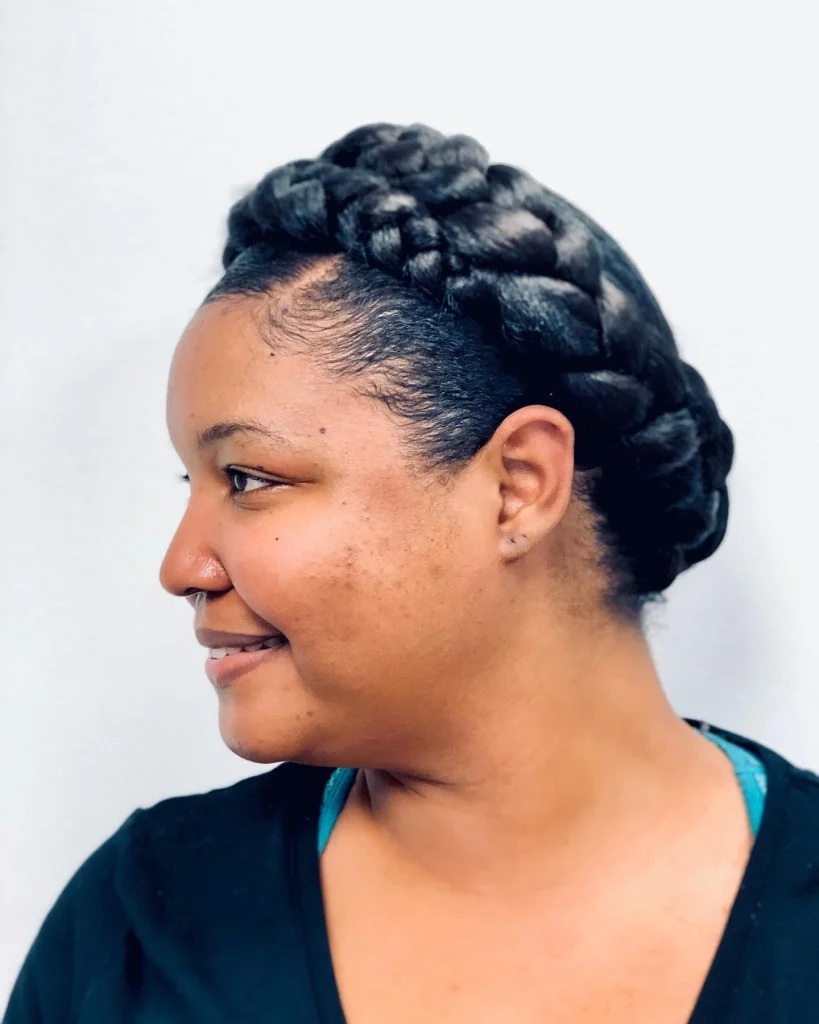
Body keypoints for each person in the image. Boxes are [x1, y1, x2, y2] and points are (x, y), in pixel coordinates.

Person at [4, 121, 818, 1024]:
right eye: (191, 484)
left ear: (517, 487)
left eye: (249, 478)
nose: (180, 567)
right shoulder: (139, 927)